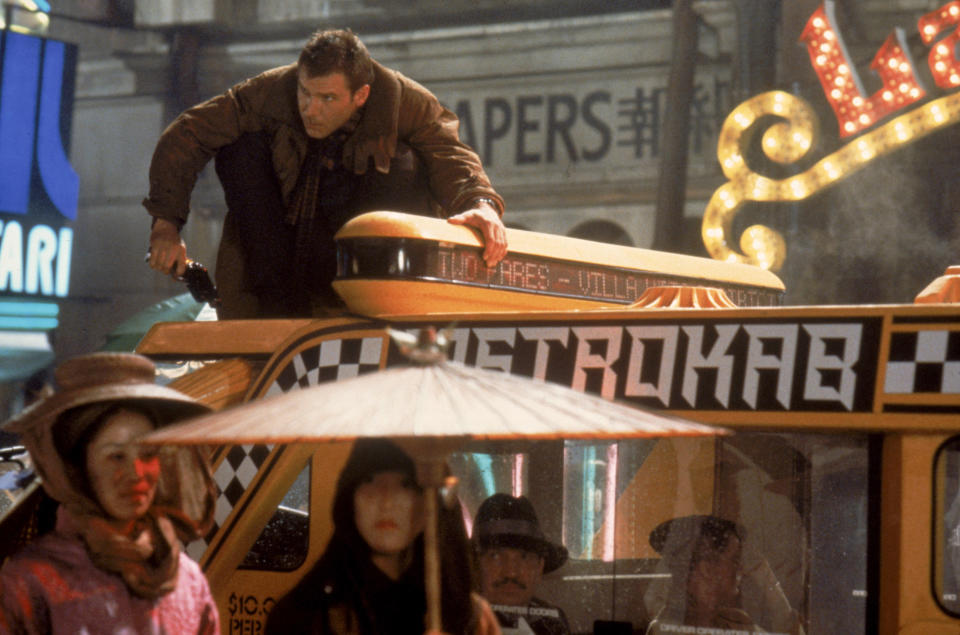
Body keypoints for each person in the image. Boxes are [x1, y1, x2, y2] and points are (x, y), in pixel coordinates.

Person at [144, 28, 508, 319]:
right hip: (273, 257)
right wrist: (166, 225)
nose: (310, 109)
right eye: (305, 92)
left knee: (406, 161)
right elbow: (189, 132)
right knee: (240, 146)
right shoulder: (268, 93)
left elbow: (451, 153)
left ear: (361, 95)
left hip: (363, 264)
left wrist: (481, 203)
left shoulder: (405, 103)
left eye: (327, 99)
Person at [0, 352, 220, 634]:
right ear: (77, 468)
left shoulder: (187, 580)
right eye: (116, 456)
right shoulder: (31, 582)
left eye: (149, 453)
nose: (137, 473)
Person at [264, 438, 500, 634]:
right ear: (350, 500)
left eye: (406, 484)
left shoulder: (471, 619)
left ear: (430, 505)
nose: (386, 502)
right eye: (370, 481)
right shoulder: (305, 616)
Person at [473, 493, 571, 635]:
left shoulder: (551, 622)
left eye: (524, 557)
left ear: (540, 567)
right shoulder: (456, 622)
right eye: (495, 556)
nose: (511, 572)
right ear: (475, 565)